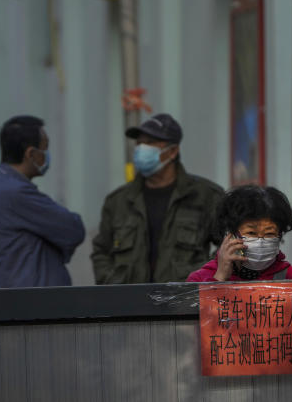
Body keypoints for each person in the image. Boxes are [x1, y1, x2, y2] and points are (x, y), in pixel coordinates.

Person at [91, 113, 224, 283]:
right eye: (139, 143)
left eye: (150, 143)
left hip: (182, 304)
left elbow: (227, 245)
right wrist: (113, 283)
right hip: (130, 305)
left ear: (173, 151)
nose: (140, 149)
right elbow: (101, 251)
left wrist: (202, 279)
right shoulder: (118, 201)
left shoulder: (206, 196)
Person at [0, 115, 85, 287]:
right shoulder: (16, 193)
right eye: (45, 148)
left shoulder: (5, 184)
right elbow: (73, 228)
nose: (47, 155)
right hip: (28, 305)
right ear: (30, 154)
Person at [186, 185, 292, 282]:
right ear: (230, 234)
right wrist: (220, 277)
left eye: (269, 233)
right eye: (251, 232)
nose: (260, 241)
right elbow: (202, 315)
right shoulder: (200, 279)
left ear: (279, 236)